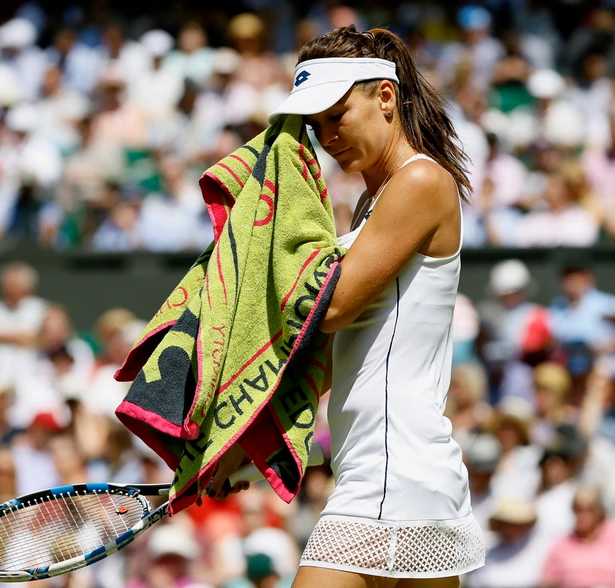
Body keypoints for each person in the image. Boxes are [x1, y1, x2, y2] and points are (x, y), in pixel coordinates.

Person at [209, 25, 485, 587]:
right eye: (316, 126)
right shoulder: (369, 202)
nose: (328, 137)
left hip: (392, 472)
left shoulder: (420, 180)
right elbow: (332, 355)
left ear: (385, 97)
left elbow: (328, 310)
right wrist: (244, 441)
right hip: (400, 469)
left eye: (337, 116)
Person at [540, 485, 615, 588]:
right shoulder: (562, 543)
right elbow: (548, 582)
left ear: (599, 511)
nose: (583, 515)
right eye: (578, 510)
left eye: (589, 509)